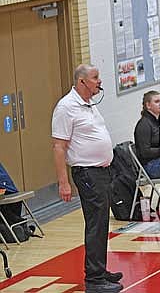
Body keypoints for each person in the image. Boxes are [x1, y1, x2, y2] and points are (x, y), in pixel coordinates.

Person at [51, 64, 123, 293]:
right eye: (95, 78)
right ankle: (94, 279)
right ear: (82, 81)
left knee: (102, 223)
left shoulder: (89, 103)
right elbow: (59, 147)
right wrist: (64, 182)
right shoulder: (66, 107)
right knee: (95, 225)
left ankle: (100, 270)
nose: (99, 81)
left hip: (101, 172)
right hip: (87, 173)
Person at [134, 90, 160, 178]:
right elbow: (145, 152)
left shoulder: (157, 121)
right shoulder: (144, 124)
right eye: (157, 102)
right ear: (148, 105)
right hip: (150, 166)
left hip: (158, 160)